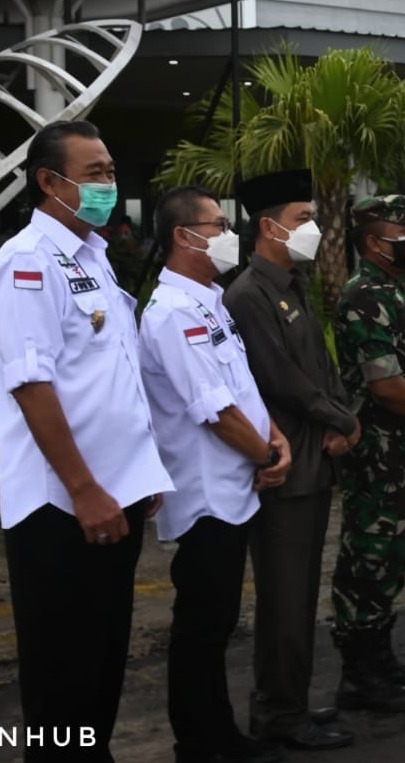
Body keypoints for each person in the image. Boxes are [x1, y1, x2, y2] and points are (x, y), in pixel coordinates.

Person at [0, 120, 173, 761]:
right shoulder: (26, 263)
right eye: (95, 174)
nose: (109, 186)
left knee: (99, 671)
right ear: (48, 181)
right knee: (62, 686)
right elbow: (31, 386)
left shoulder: (93, 260)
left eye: (112, 172)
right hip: (61, 508)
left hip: (113, 498)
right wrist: (87, 488)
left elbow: (111, 382)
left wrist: (137, 476)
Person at [139, 186, 293, 763]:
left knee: (220, 619)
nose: (229, 235)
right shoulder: (173, 313)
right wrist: (266, 454)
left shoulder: (210, 299)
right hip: (207, 495)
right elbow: (215, 410)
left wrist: (272, 437)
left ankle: (217, 732)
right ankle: (201, 741)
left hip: (235, 486)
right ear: (184, 236)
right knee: (202, 626)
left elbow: (241, 390)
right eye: (218, 225)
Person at [225, 170, 365, 747]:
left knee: (302, 595)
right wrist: (342, 420)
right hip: (284, 465)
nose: (316, 228)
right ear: (268, 226)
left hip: (316, 458)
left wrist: (341, 415)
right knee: (283, 600)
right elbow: (280, 380)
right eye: (304, 219)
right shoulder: (248, 294)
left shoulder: (294, 283)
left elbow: (322, 368)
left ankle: (293, 702)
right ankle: (278, 713)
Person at [330, 196, 405, 707]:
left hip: (398, 449)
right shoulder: (364, 295)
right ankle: (360, 676)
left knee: (391, 558)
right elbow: (385, 385)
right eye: (400, 236)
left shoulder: (392, 290)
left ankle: (381, 660)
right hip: (375, 453)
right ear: (372, 244)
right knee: (368, 559)